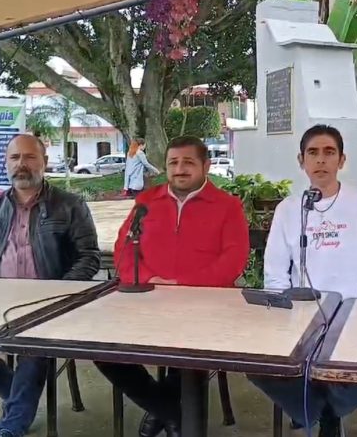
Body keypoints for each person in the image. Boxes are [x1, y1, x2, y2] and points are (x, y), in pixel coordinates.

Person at [95, 135, 250, 437]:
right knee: (103, 350)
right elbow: (124, 250)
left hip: (206, 306)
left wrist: (182, 285)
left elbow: (234, 261)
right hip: (148, 301)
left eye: (188, 162)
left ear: (206, 166)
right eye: (173, 163)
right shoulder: (146, 202)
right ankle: (168, 411)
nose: (180, 169)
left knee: (191, 350)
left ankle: (168, 414)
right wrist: (149, 280)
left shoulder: (228, 206)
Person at [248, 125, 357, 437]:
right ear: (301, 160)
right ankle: (325, 412)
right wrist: (286, 314)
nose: (321, 160)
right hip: (300, 318)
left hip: (352, 317)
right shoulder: (288, 209)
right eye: (313, 152)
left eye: (329, 152)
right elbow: (275, 273)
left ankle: (317, 411)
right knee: (254, 364)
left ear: (342, 160)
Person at [0, 134, 101, 437]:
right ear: (6, 163)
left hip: (47, 307)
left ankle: (10, 427)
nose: (21, 164)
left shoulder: (70, 205)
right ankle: (16, 394)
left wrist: (57, 294)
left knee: (34, 349)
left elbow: (89, 258)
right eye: (15, 157)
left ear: (44, 162)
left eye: (29, 157)